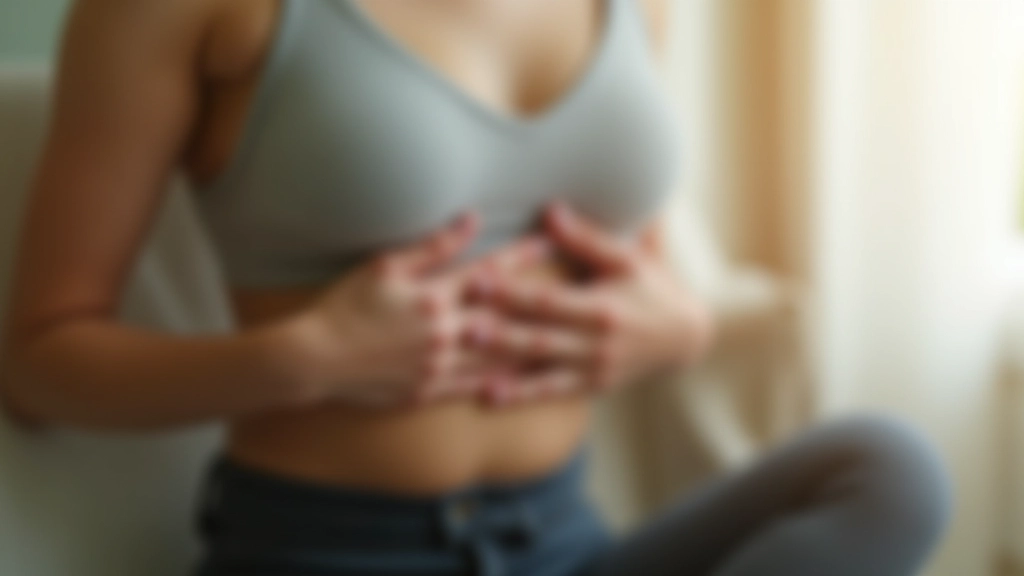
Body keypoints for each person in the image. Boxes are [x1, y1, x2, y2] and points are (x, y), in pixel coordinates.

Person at [0, 1, 952, 575]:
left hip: (568, 543)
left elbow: (635, 273)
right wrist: (298, 359)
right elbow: (40, 365)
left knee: (889, 472)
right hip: (328, 551)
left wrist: (680, 330)